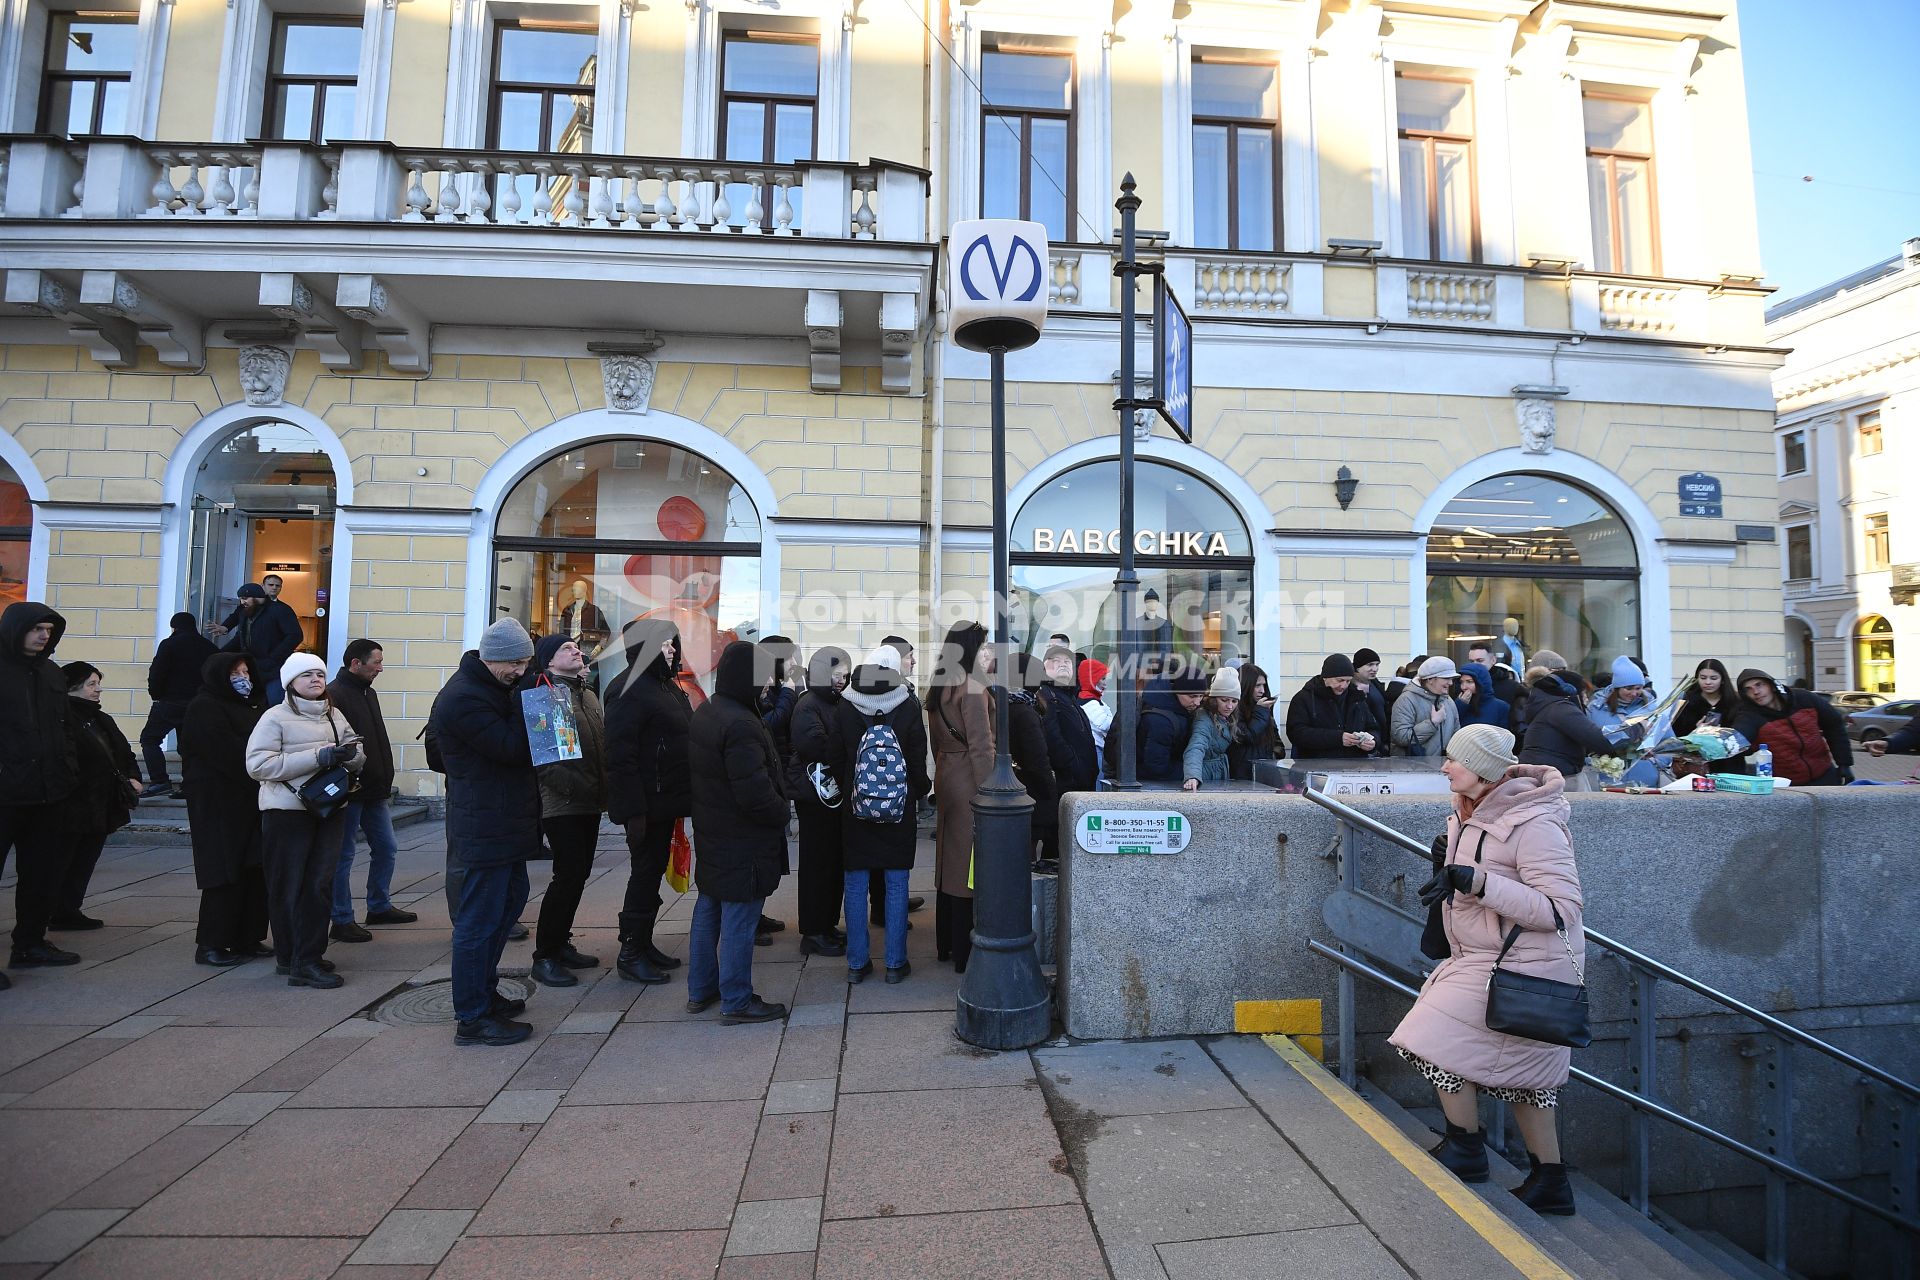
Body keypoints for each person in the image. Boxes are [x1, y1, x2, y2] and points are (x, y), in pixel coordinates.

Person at [1390, 724, 1585, 1217]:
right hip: (1485, 959)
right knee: (1525, 1077)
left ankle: (1468, 1149)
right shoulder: (1467, 813)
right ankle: (1545, 1179)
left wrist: (1478, 882)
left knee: (1432, 1035)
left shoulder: (1533, 823)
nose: (1444, 767)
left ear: (1479, 768)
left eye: (1453, 760)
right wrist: (1451, 871)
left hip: (1526, 966)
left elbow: (1561, 909)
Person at [429, 619, 542, 1045]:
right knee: (479, 923)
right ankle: (472, 1017)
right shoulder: (464, 699)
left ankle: (485, 995)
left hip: (501, 822)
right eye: (516, 663)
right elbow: (513, 748)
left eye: (526, 662)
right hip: (484, 825)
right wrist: (526, 701)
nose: (521, 671)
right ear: (492, 658)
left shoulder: (490, 689)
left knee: (505, 907)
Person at [246, 653, 365, 990]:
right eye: (307, 675)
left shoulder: (334, 714)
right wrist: (318, 756)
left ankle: (307, 955)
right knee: (290, 886)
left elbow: (356, 750)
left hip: (329, 810)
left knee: (319, 884)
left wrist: (352, 756)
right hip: (287, 813)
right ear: (290, 682)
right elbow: (258, 766)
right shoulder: (274, 718)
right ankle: (296, 958)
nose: (315, 680)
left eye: (319, 674)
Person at [686, 640, 790, 1024]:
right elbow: (754, 793)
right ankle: (737, 999)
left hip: (715, 833)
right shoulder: (741, 723)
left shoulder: (711, 710)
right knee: (739, 920)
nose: (767, 685)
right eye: (762, 677)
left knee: (709, 908)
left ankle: (701, 990)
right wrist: (782, 812)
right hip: (742, 839)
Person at [833, 646, 930, 984]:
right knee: (896, 881)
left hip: (855, 807)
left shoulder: (845, 703)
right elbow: (918, 755)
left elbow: (834, 754)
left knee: (856, 882)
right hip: (898, 808)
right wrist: (918, 791)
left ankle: (857, 964)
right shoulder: (907, 703)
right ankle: (894, 963)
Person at [603, 618, 693, 985]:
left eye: (674, 644)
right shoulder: (626, 689)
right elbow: (619, 757)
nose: (672, 650)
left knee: (653, 871)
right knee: (643, 874)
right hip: (647, 804)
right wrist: (632, 812)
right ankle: (631, 951)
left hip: (668, 799)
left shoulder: (665, 685)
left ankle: (644, 941)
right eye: (665, 644)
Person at [519, 635, 606, 988]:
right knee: (566, 877)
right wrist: (577, 789)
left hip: (589, 800)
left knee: (578, 875)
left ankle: (562, 942)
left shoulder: (585, 693)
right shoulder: (546, 693)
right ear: (550, 661)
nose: (577, 651)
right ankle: (545, 956)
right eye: (567, 649)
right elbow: (546, 761)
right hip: (564, 803)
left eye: (576, 647)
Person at [3, 602, 80, 975]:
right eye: (36, 629)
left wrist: (67, 771)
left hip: (49, 792)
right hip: (6, 792)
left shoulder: (50, 673)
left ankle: (30, 943)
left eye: (49, 630)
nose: (43, 635)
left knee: (41, 875)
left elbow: (64, 726)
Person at [180, 652, 271, 967]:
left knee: (253, 869)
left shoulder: (252, 705)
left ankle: (248, 937)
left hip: (250, 799)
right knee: (224, 871)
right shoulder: (205, 707)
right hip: (218, 802)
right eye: (235, 671)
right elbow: (226, 753)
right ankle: (212, 943)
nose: (243, 676)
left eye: (246, 670)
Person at [326, 639, 414, 943]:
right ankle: (341, 917)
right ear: (356, 663)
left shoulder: (368, 692)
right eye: (376, 662)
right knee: (344, 855)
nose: (380, 667)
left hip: (374, 788)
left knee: (387, 848)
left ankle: (378, 905)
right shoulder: (335, 695)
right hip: (351, 790)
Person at [54, 662, 140, 931]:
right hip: (75, 802)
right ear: (72, 687)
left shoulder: (99, 718)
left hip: (101, 802)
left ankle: (69, 908)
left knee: (86, 858)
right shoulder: (62, 716)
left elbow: (123, 751)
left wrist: (132, 776)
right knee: (64, 859)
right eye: (91, 684)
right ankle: (53, 910)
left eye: (97, 683)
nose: (98, 689)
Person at [926, 620, 992, 970]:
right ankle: (964, 953)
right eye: (982, 645)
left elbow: (936, 741)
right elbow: (982, 744)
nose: (987, 652)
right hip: (970, 775)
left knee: (946, 860)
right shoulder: (972, 685)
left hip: (947, 772)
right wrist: (990, 791)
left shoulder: (941, 682)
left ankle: (945, 943)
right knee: (967, 863)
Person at [788, 646, 852, 958]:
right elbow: (814, 745)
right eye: (837, 674)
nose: (842, 679)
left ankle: (827, 924)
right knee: (817, 865)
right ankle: (813, 931)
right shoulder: (808, 704)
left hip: (832, 795)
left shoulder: (835, 702)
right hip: (814, 797)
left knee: (832, 864)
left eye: (844, 674)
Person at [1731, 670, 1853, 787]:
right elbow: (1737, 744)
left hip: (1825, 774)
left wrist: (1844, 764)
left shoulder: (1804, 698)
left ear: (1772, 685)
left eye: (1759, 685)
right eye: (1748, 689)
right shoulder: (1749, 716)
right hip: (1787, 784)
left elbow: (1834, 726)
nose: (1755, 692)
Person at [140, 612, 216, 797]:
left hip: (169, 701)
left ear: (174, 627)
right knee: (188, 746)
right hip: (197, 703)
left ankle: (160, 781)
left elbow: (157, 672)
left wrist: (155, 694)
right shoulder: (208, 647)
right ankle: (190, 785)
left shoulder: (169, 644)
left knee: (149, 739)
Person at [754, 635, 799, 943]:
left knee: (770, 851)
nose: (796, 663)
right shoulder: (760, 688)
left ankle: (756, 913)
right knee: (759, 852)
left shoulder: (778, 688)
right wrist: (790, 694)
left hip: (780, 774)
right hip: (765, 780)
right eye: (791, 657)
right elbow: (770, 722)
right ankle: (749, 920)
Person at [1036, 643, 1097, 858]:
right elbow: (1051, 738)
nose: (1063, 665)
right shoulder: (1046, 695)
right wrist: (1071, 765)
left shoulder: (1070, 697)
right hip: (1064, 784)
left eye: (1067, 662)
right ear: (1045, 667)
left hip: (1079, 784)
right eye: (1056, 661)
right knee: (1056, 845)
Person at [1515, 667, 1617, 785]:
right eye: (1583, 692)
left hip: (1542, 773)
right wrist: (1616, 751)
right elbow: (1595, 738)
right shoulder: (1562, 709)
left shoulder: (1550, 706)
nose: (1586, 697)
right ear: (1570, 691)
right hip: (1553, 776)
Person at [1003, 653, 1058, 862]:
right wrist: (1050, 788)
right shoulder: (1024, 711)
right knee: (1025, 855)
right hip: (1030, 790)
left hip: (1017, 786)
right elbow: (1037, 758)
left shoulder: (1005, 704)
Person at [210, 583, 303, 707]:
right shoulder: (245, 613)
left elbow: (294, 635)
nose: (242, 602)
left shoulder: (279, 610)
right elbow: (239, 638)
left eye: (245, 598)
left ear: (256, 597)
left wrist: (273, 657)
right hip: (253, 668)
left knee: (275, 703)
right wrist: (218, 654)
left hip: (275, 669)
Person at [1585, 657, 1659, 786]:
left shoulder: (1651, 706)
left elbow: (1667, 737)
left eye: (1638, 688)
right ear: (1617, 688)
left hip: (1646, 777)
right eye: (1629, 688)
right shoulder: (1596, 708)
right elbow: (1592, 740)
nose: (1634, 693)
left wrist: (1657, 760)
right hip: (1609, 779)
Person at [1289, 655, 1378, 760]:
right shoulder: (1304, 698)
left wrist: (1372, 742)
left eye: (1348, 681)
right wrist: (1337, 738)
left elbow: (1373, 728)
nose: (1344, 686)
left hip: (1354, 767)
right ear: (1325, 677)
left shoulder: (1357, 698)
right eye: (1340, 680)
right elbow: (1296, 733)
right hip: (1317, 766)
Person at [1670, 659, 1748, 775]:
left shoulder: (1735, 702)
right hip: (1695, 769)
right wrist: (1696, 732)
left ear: (1722, 680)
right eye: (1703, 677)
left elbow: (1742, 737)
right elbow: (1675, 737)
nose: (1708, 682)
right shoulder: (1686, 702)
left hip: (1730, 767)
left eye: (1713, 678)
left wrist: (1720, 733)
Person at [1133, 670, 1204, 781]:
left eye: (1201, 696)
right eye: (1192, 696)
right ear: (1178, 692)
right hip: (1147, 781)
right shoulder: (1161, 721)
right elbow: (1156, 767)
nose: (1197, 702)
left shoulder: (1171, 707)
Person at [1182, 668, 1242, 790]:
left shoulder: (1226, 718)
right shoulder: (1203, 718)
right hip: (1204, 776)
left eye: (1234, 701)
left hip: (1217, 774)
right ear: (1214, 699)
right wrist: (1192, 776)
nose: (1230, 706)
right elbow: (1196, 746)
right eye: (1224, 700)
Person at [1391, 656, 1461, 758]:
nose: (1450, 683)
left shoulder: (1448, 701)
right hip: (1413, 770)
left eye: (1451, 679)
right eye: (1446, 678)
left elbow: (1456, 735)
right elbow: (1400, 737)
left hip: (1445, 769)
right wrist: (1432, 724)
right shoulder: (1406, 700)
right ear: (1430, 679)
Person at [1227, 664, 1280, 779]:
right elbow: (1247, 736)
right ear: (1245, 686)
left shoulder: (1263, 708)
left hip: (1267, 770)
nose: (1262, 690)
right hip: (1242, 774)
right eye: (1257, 686)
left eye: (1264, 685)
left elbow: (1276, 741)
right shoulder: (1232, 709)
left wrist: (1274, 754)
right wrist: (1261, 712)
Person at [1351, 650, 1389, 755]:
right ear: (1358, 667)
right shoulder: (1349, 687)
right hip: (1363, 744)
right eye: (1370, 665)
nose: (1375, 669)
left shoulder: (1374, 684)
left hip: (1379, 741)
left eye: (1377, 665)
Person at [1454, 661, 1511, 730]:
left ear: (1481, 683)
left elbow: (1504, 736)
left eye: (1469, 682)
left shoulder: (1501, 707)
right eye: (1461, 682)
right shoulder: (1459, 705)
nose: (1463, 687)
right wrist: (1460, 706)